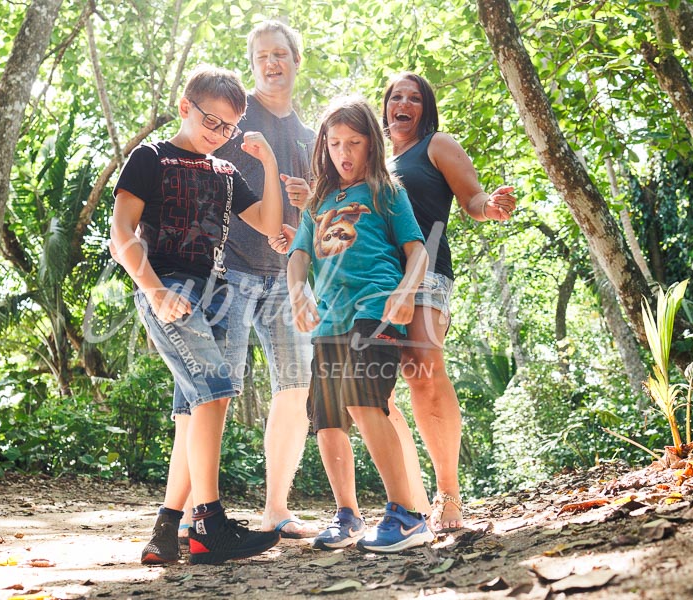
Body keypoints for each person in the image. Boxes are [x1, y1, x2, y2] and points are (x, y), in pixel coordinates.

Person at [110, 65, 284, 565]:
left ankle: (167, 531)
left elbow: (269, 223)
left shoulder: (226, 173)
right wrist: (155, 291)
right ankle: (209, 523)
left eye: (229, 127)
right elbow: (121, 233)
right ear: (185, 107)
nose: (219, 133)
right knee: (214, 391)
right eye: (211, 121)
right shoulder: (151, 157)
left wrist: (269, 165)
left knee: (199, 408)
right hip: (170, 286)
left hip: (218, 293)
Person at [173, 20, 319, 542]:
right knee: (210, 391)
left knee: (296, 387)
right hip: (226, 270)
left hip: (286, 277)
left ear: (296, 60)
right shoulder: (233, 118)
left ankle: (276, 509)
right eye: (262, 56)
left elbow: (324, 214)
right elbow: (192, 169)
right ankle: (188, 512)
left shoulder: (311, 136)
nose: (272, 63)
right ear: (252, 64)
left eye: (280, 54)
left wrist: (308, 206)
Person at [287, 96, 433, 553]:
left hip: (376, 309)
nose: (343, 152)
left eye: (353, 142)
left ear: (372, 143)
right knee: (327, 417)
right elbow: (298, 255)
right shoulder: (318, 200)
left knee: (363, 399)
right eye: (334, 143)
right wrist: (298, 292)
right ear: (324, 146)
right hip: (328, 321)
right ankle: (347, 515)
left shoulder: (387, 192)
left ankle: (407, 516)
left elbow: (418, 250)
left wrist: (406, 292)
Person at [382, 72, 516, 533]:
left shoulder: (436, 145)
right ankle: (407, 499)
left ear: (426, 108)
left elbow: (472, 197)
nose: (403, 104)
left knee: (423, 372)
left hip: (427, 272)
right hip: (376, 280)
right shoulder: (373, 158)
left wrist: (489, 206)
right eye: (396, 97)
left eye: (414, 98)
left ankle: (449, 494)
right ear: (385, 106)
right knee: (375, 390)